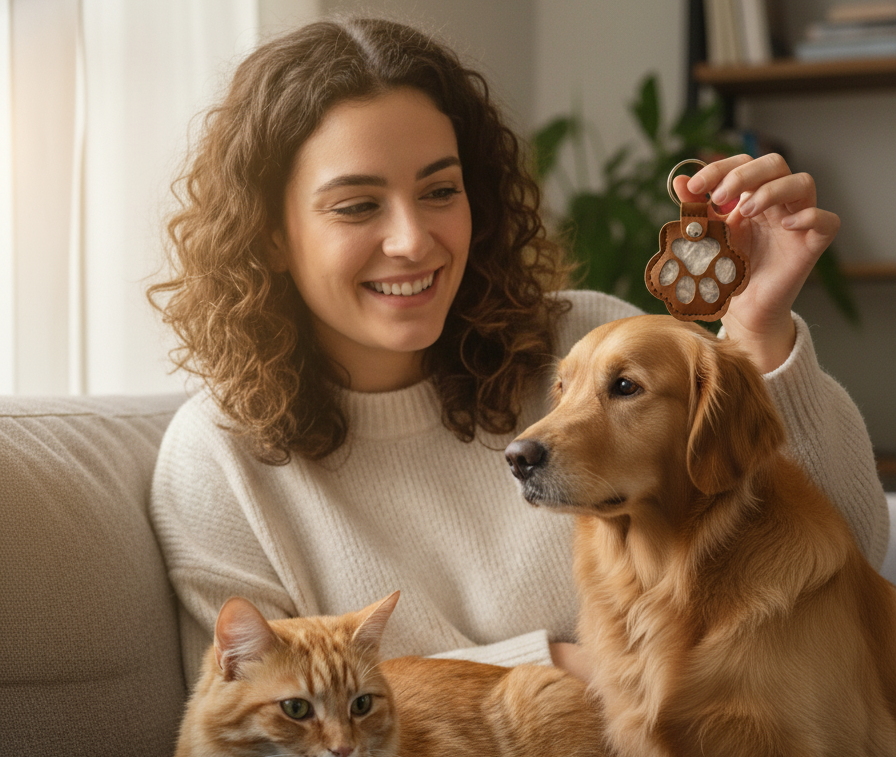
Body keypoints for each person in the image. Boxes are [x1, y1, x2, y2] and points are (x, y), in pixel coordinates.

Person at [149, 17, 888, 697]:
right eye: (357, 205)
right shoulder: (219, 457)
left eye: (441, 189)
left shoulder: (592, 350)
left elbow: (848, 557)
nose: (413, 239)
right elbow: (241, 729)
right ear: (269, 234)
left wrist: (758, 330)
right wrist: (564, 664)